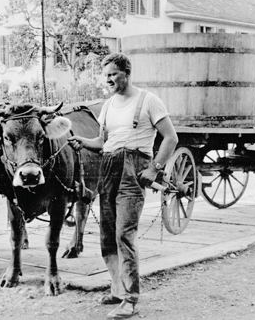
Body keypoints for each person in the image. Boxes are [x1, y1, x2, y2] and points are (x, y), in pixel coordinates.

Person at [68, 53, 178, 319]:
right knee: (107, 235)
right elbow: (102, 142)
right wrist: (81, 140)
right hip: (108, 167)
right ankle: (117, 289)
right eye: (105, 75)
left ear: (126, 73)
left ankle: (130, 298)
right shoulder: (107, 106)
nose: (108, 79)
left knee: (123, 234)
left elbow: (171, 138)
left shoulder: (148, 100)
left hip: (133, 168)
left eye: (113, 74)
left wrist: (154, 169)